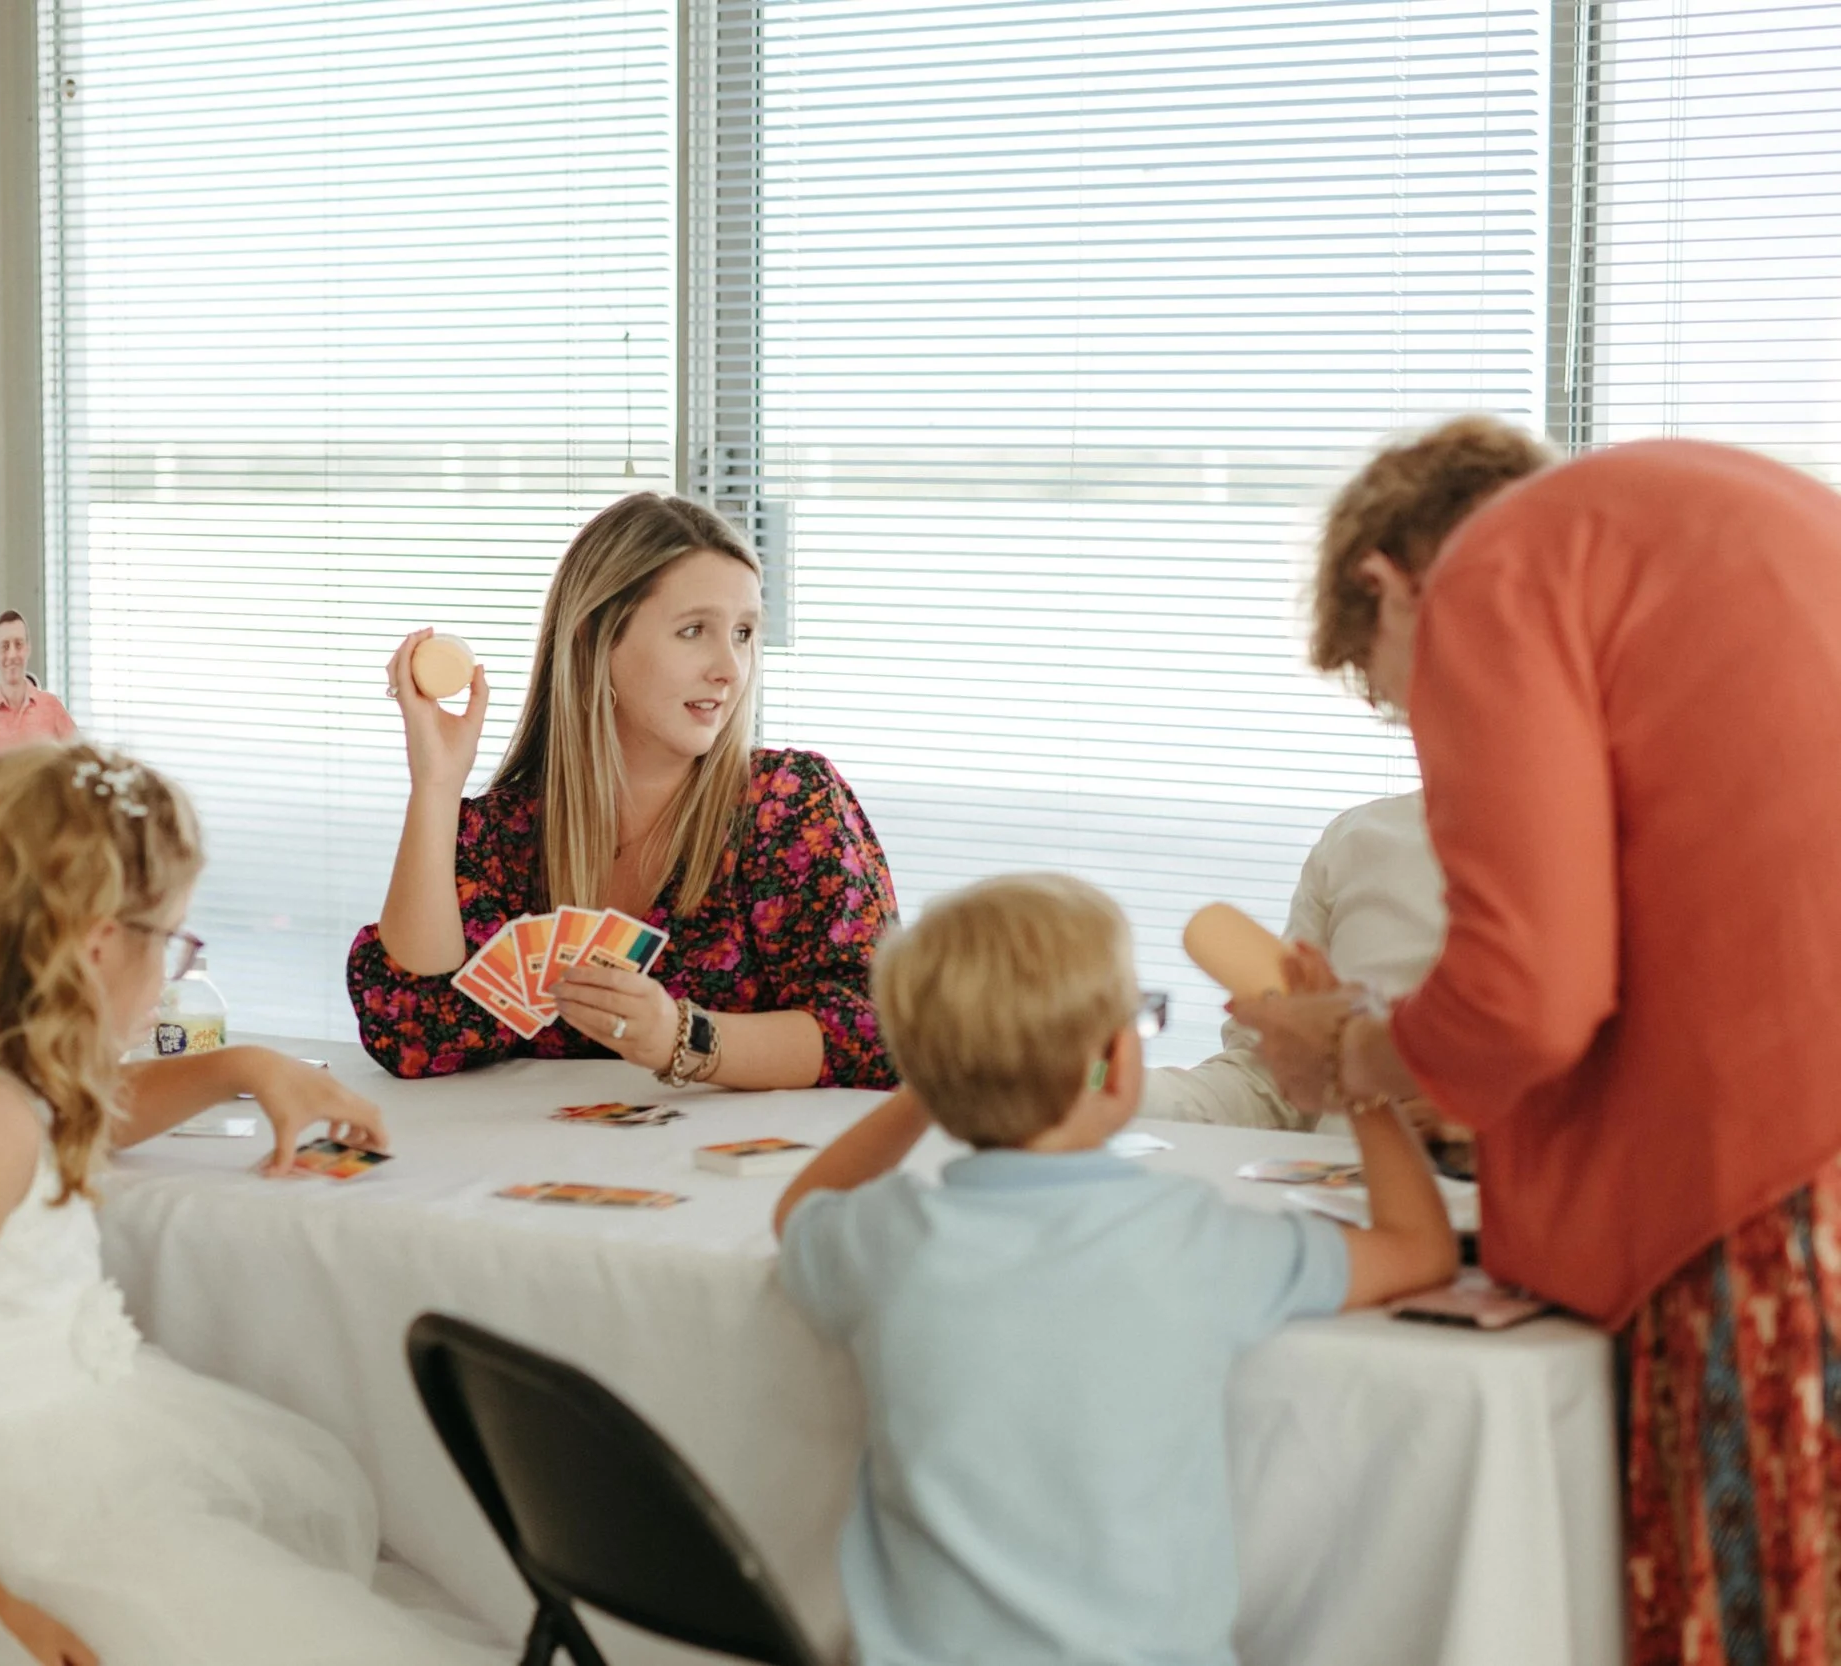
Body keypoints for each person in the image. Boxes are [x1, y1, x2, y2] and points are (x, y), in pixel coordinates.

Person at [1236, 436, 1841, 1666]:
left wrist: (1352, 1049)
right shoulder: (1730, 511)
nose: (1419, 729)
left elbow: (1530, 995)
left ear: (1385, 583)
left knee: (1751, 1611)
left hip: (1774, 1159)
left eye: (1391, 691)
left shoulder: (1491, 572)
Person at [0, 744, 501, 1666]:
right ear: (100, 943)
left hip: (27, 1452)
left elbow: (77, 1110)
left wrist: (238, 1065)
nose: (171, 972)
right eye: (174, 942)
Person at [775, 874, 1454, 1666]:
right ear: (1111, 1062)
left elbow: (801, 1210)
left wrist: (937, 1077)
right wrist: (1354, 1078)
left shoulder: (886, 1241)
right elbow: (1420, 1250)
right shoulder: (1188, 1242)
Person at [350, 493, 899, 1088]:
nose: (730, 668)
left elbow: (878, 1034)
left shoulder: (790, 804)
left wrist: (682, 1038)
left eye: (743, 633)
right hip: (537, 1171)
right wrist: (434, 787)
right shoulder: (500, 838)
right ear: (595, 640)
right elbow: (412, 1035)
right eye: (694, 631)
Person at [1145, 417, 1554, 1129]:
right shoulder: (1360, 842)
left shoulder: (1652, 849)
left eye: (1408, 696)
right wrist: (1111, 1100)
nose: (1423, 732)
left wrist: (1469, 1119)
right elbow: (1269, 1083)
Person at [0, 609, 79, 781]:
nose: (12, 655)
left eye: (18, 645)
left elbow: (80, 758)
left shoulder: (51, 707)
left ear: (28, 649)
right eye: (5, 646)